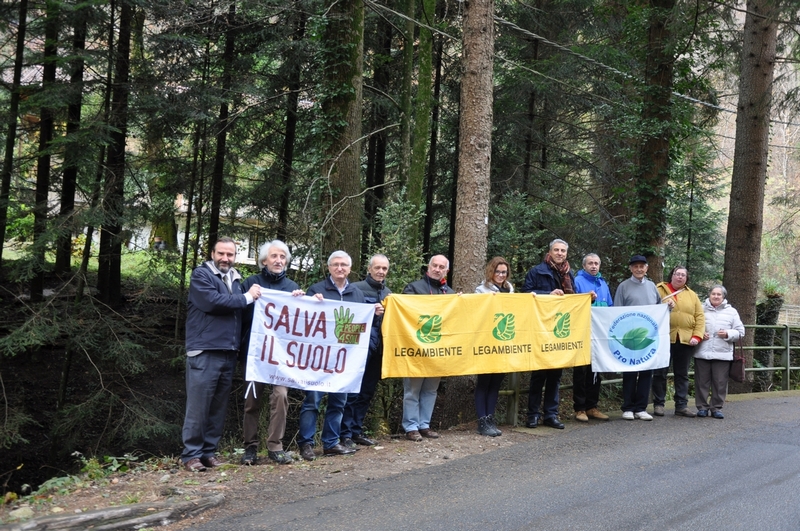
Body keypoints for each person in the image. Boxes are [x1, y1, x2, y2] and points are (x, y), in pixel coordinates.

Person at [181, 237, 262, 472]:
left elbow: (241, 312)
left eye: (230, 254)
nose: (225, 258)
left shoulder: (235, 280)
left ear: (235, 256)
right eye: (221, 254)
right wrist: (248, 297)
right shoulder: (201, 275)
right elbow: (212, 302)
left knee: (217, 407)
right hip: (205, 350)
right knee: (198, 406)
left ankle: (208, 452)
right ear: (212, 253)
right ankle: (191, 455)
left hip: (228, 351)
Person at [239, 240, 304, 466]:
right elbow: (239, 315)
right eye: (274, 257)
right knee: (252, 401)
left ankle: (275, 446)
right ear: (264, 261)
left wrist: (302, 302)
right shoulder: (251, 283)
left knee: (281, 396)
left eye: (282, 257)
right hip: (256, 355)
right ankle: (250, 448)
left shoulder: (291, 287)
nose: (278, 261)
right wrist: (249, 297)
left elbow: (302, 325)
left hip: (282, 358)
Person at [297, 251, 367, 460]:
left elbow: (361, 326)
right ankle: (306, 444)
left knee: (338, 402)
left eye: (344, 265)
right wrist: (311, 302)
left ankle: (330, 443)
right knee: (312, 402)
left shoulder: (357, 293)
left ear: (350, 268)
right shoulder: (317, 290)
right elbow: (303, 320)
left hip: (343, 359)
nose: (340, 268)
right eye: (335, 264)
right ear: (328, 268)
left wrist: (373, 313)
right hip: (317, 359)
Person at [401, 255, 456, 441]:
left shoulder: (450, 293)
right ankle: (410, 427)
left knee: (431, 390)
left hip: (438, 351)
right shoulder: (414, 288)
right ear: (429, 266)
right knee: (412, 390)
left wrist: (461, 303)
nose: (437, 269)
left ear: (446, 271)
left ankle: (424, 425)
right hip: (416, 348)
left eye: (442, 267)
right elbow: (405, 313)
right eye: (435, 265)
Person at [521, 239, 574, 430]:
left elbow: (572, 298)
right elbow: (526, 294)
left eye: (563, 251)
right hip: (541, 329)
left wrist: (586, 298)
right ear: (549, 252)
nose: (560, 253)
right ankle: (532, 415)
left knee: (555, 376)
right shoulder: (537, 271)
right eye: (556, 250)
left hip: (560, 330)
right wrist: (548, 294)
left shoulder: (569, 273)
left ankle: (551, 414)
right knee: (539, 375)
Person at [613, 255, 673, 421]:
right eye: (635, 266)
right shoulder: (623, 286)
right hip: (630, 336)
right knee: (630, 372)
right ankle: (628, 407)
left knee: (647, 372)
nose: (639, 269)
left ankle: (641, 407)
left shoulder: (652, 286)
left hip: (648, 337)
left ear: (647, 268)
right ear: (631, 268)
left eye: (642, 266)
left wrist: (668, 307)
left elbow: (658, 311)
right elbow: (616, 311)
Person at [340, 254, 391, 448]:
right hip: (358, 349)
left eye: (384, 269)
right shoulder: (356, 289)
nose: (380, 272)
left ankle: (356, 430)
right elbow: (349, 315)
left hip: (379, 350)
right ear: (369, 269)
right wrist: (371, 309)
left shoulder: (389, 293)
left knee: (367, 392)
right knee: (352, 393)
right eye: (377, 268)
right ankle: (344, 434)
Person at [654, 266, 705, 417]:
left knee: (682, 374)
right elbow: (650, 309)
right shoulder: (659, 289)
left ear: (686, 278)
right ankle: (658, 404)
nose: (680, 277)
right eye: (678, 274)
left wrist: (697, 335)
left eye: (683, 275)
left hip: (685, 340)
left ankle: (681, 405)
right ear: (672, 275)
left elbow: (700, 317)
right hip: (663, 338)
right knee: (660, 372)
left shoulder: (692, 295)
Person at [473, 257, 514, 437]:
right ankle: (482, 421)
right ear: (491, 272)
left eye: (504, 272)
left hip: (503, 342)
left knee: (496, 383)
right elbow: (475, 312)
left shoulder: (510, 289)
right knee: (484, 382)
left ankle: (490, 418)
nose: (500, 275)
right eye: (497, 271)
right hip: (486, 342)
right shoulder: (481, 290)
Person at [572, 253, 612, 422]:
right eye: (590, 263)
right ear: (584, 265)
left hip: (599, 334)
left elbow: (610, 307)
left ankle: (592, 406)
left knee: (596, 370)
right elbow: (573, 304)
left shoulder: (603, 283)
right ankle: (580, 408)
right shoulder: (577, 281)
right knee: (581, 370)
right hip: (582, 332)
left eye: (596, 263)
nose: (594, 266)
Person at [694, 285, 744, 419]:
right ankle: (702, 407)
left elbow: (740, 332)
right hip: (702, 352)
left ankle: (716, 408)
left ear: (723, 297)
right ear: (709, 295)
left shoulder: (732, 312)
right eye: (713, 294)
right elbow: (693, 326)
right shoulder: (700, 309)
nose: (716, 296)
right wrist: (700, 334)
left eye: (719, 294)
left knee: (720, 382)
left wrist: (728, 333)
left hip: (722, 353)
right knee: (701, 382)